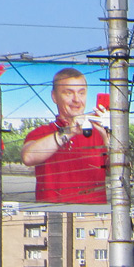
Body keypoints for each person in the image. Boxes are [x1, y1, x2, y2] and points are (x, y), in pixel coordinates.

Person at [20, 68, 108, 204]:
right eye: (69, 93)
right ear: (54, 97)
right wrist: (69, 131)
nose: (77, 100)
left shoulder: (99, 132)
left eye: (82, 93)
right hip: (53, 216)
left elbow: (120, 172)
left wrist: (109, 138)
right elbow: (28, 157)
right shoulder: (42, 132)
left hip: (90, 216)